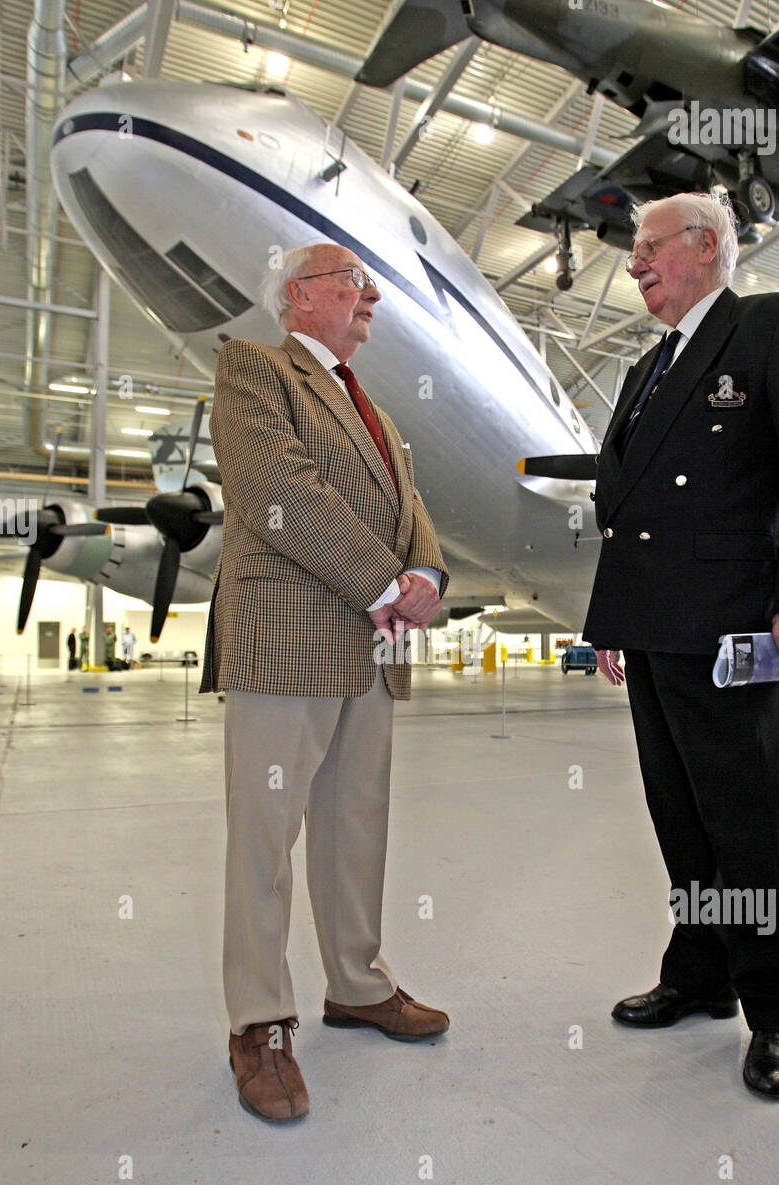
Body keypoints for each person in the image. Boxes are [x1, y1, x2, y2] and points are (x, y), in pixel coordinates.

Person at [583, 192, 779, 1101]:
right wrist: (611, 620)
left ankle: (775, 1010)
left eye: (648, 247)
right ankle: (700, 976)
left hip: (737, 626)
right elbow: (623, 512)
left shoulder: (773, 328)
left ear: (705, 247)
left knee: (745, 823)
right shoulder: (644, 371)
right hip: (655, 632)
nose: (634, 264)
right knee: (681, 820)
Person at [200, 241, 451, 1123]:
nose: (370, 295)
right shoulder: (253, 370)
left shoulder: (373, 409)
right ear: (301, 295)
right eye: (353, 282)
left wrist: (428, 578)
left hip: (372, 648)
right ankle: (259, 1022)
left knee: (356, 830)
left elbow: (411, 511)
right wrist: (386, 583)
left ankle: (356, 983)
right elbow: (276, 487)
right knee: (263, 839)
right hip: (287, 640)